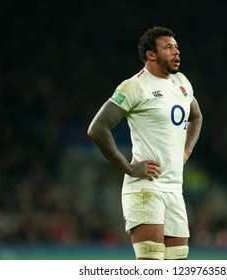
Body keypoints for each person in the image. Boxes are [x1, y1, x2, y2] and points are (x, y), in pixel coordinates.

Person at [87, 26, 202, 260]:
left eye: (177, 47)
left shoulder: (181, 82)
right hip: (146, 188)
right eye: (168, 47)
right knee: (151, 268)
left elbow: (197, 117)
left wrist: (186, 151)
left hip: (174, 189)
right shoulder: (135, 86)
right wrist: (128, 168)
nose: (176, 52)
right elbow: (97, 129)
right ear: (151, 55)